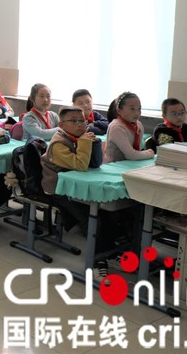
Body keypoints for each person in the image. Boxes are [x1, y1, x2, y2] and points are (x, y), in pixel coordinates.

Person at [41, 107, 116, 280]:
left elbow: (95, 164)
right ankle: (96, 263)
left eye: (82, 120)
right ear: (61, 125)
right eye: (73, 121)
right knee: (92, 219)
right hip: (58, 189)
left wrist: (94, 142)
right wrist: (84, 142)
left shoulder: (78, 137)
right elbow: (81, 165)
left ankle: (109, 253)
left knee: (110, 213)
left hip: (76, 186)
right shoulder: (58, 143)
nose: (79, 124)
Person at [104, 92, 155, 163]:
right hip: (115, 165)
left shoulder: (139, 125)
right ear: (119, 111)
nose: (137, 113)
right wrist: (150, 153)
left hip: (132, 163)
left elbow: (137, 151)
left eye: (139, 108)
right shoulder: (116, 127)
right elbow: (131, 155)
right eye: (132, 109)